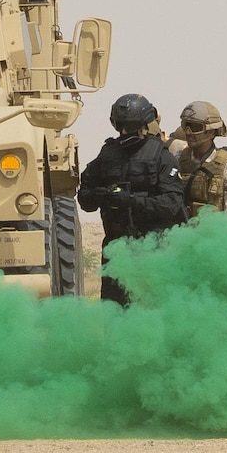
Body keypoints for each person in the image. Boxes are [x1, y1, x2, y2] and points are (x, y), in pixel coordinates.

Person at [77, 93, 187, 305]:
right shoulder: (107, 154)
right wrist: (103, 196)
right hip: (117, 249)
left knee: (152, 310)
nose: (125, 132)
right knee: (114, 312)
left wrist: (132, 201)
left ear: (144, 125)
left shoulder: (161, 156)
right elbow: (85, 199)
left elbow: (171, 205)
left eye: (131, 126)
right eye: (122, 126)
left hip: (154, 248)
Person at [168, 101, 227, 231]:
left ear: (211, 132)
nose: (188, 132)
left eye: (195, 127)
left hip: (215, 240)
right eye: (186, 126)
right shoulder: (178, 160)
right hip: (183, 238)